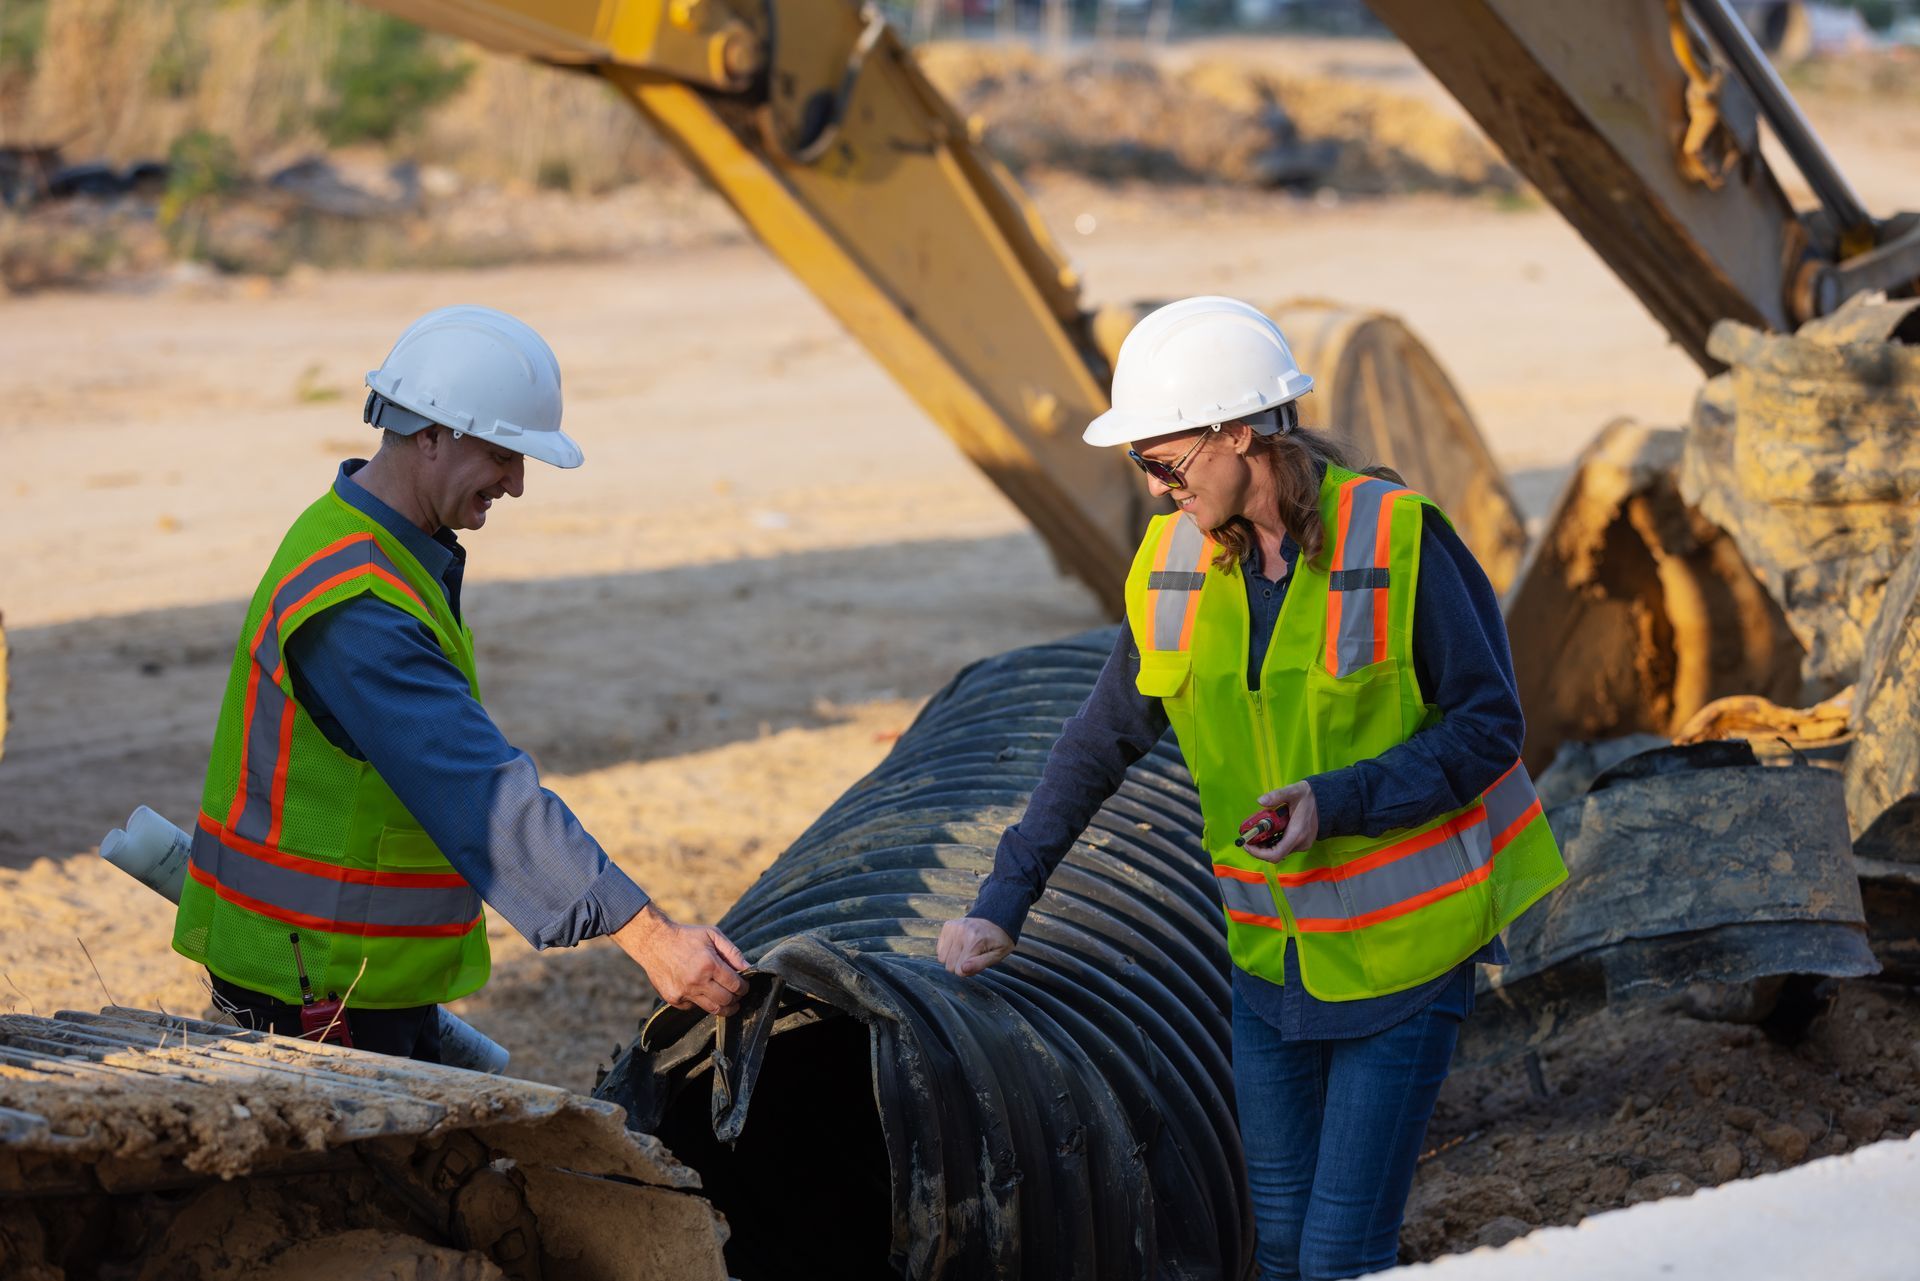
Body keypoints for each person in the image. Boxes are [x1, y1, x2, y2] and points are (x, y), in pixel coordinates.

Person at [937, 296, 1567, 1279]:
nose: (1155, 492)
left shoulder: (1401, 539)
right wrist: (1003, 901)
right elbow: (1099, 740)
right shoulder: (1174, 563)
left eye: (1165, 462)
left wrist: (1338, 801)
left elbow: (1490, 727)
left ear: (1244, 433)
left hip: (1405, 958)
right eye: (1141, 466)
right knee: (1274, 1252)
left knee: (1336, 1259)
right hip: (1270, 965)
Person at [173, 305, 748, 1061]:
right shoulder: (357, 604)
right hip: (319, 982)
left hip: (349, 968)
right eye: (504, 454)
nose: (515, 485)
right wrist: (649, 936)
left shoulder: (377, 546)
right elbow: (477, 787)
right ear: (430, 434)